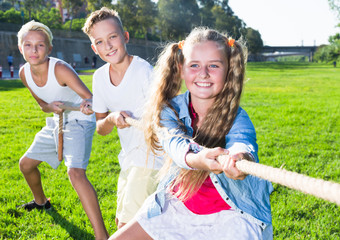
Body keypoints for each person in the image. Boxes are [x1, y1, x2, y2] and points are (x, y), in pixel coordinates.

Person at [109, 27, 273, 240]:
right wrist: (197, 158)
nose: (203, 73)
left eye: (213, 65)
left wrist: (240, 159)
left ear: (228, 69)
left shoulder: (237, 117)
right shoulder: (169, 110)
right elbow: (174, 142)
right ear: (181, 68)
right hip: (177, 206)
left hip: (230, 214)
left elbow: (244, 142)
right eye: (194, 65)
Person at [17, 20, 109, 240]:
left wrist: (88, 105)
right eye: (28, 45)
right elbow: (42, 105)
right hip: (58, 119)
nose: (34, 50)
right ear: (20, 48)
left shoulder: (59, 68)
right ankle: (41, 203)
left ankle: (102, 236)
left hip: (78, 119)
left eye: (40, 45)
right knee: (26, 165)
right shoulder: (24, 73)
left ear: (49, 49)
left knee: (75, 173)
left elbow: (91, 99)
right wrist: (51, 107)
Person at [82, 7, 163, 229]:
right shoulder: (99, 78)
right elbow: (101, 127)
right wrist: (111, 118)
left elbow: (163, 115)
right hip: (128, 158)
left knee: (126, 228)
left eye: (112, 37)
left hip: (151, 158)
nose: (107, 46)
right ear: (93, 48)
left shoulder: (143, 71)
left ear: (125, 37)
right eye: (99, 42)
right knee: (121, 221)